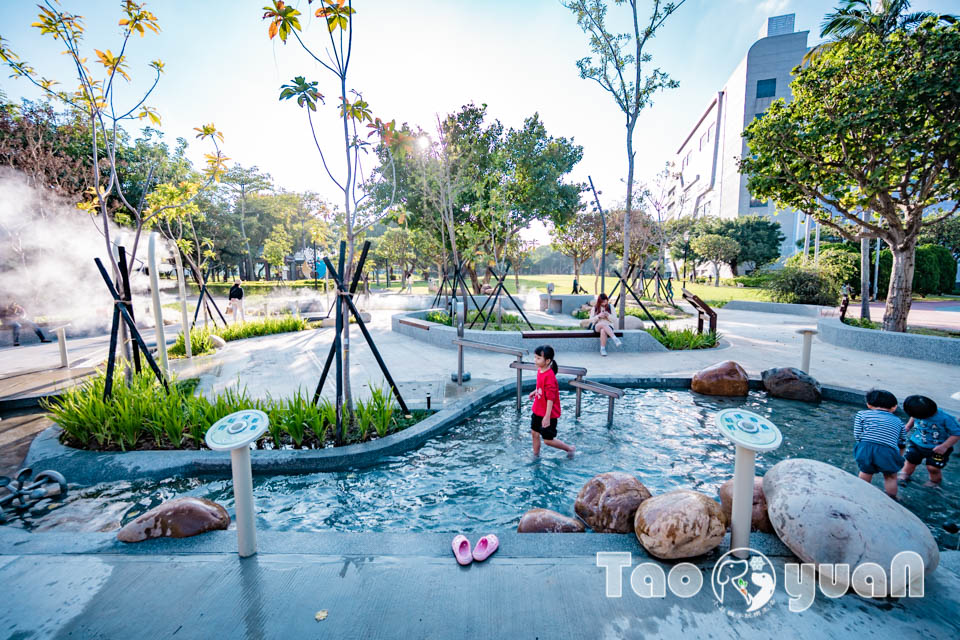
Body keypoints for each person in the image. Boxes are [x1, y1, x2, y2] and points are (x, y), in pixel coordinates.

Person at [853, 389, 906, 499]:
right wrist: (898, 456)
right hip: (888, 451)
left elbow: (857, 434)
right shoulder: (899, 421)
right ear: (894, 407)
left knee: (865, 472)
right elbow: (901, 442)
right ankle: (891, 498)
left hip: (865, 447)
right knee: (890, 477)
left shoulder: (861, 414)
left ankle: (860, 495)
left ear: (868, 404)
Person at [899, 395, 960, 488]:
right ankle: (904, 475)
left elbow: (956, 433)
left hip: (938, 448)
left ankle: (934, 481)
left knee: (933, 468)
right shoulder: (918, 414)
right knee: (910, 461)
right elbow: (913, 417)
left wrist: (945, 446)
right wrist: (907, 427)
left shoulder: (945, 418)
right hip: (916, 443)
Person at [528, 345, 574, 458]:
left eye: (538, 358)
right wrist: (535, 391)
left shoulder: (550, 377)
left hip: (548, 413)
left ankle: (569, 449)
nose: (535, 360)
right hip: (538, 409)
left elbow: (550, 398)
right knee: (534, 433)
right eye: (535, 357)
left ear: (548, 361)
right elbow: (541, 386)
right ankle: (535, 456)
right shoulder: (541, 370)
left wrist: (547, 416)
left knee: (548, 440)